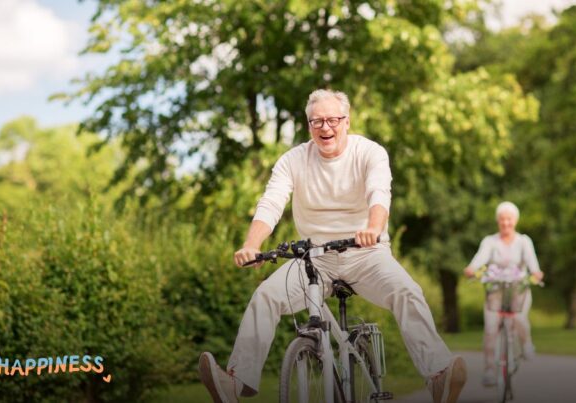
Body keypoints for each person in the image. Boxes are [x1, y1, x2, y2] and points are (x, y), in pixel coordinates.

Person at [198, 89, 467, 403]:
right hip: (314, 258)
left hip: (365, 253)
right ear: (308, 125)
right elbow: (271, 203)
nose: (325, 128)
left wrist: (373, 228)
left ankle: (438, 377)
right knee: (265, 297)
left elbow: (379, 193)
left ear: (347, 121)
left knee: (406, 292)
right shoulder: (293, 160)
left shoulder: (370, 152)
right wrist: (252, 245)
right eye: (317, 122)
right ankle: (234, 382)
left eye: (332, 120)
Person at [462, 201, 544, 387]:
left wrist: (536, 274)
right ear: (498, 221)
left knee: (519, 319)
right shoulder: (490, 242)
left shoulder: (524, 241)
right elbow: (479, 259)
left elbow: (533, 265)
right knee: (490, 330)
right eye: (502, 219)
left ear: (515, 221)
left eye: (509, 219)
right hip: (496, 291)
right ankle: (490, 370)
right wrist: (471, 269)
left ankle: (526, 344)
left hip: (518, 290)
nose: (506, 223)